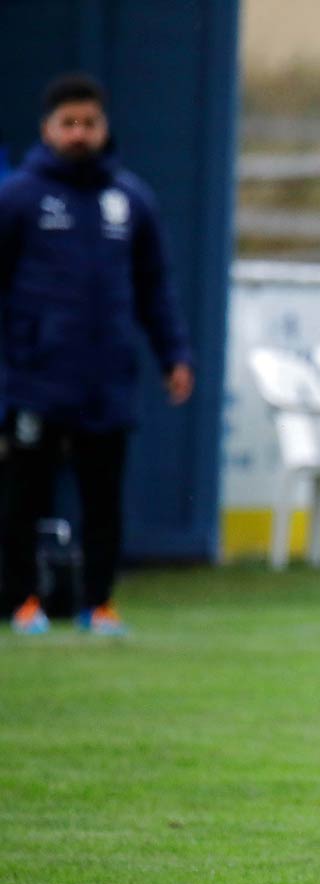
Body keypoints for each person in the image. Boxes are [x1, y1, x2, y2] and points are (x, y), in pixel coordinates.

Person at [0, 74, 193, 637]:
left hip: (107, 379)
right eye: (69, 124)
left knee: (103, 499)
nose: (79, 134)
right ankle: (21, 601)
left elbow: (155, 287)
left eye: (89, 123)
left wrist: (173, 354)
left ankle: (98, 604)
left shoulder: (129, 199)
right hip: (36, 376)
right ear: (48, 129)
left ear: (104, 127)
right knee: (23, 494)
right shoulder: (18, 197)